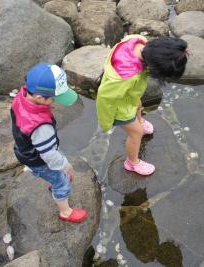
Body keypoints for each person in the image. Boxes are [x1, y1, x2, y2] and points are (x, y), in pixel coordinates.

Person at [96, 35, 188, 176]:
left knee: (139, 106)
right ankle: (132, 163)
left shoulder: (138, 41)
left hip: (130, 96)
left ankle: (140, 121)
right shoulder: (126, 76)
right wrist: (106, 121)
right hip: (121, 107)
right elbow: (105, 97)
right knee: (136, 133)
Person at [10, 63, 88, 223]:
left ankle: (53, 179)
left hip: (24, 149)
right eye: (54, 98)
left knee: (54, 173)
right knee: (62, 181)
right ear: (39, 97)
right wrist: (64, 165)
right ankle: (65, 212)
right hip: (38, 160)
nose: (55, 102)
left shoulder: (22, 96)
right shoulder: (41, 126)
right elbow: (49, 154)